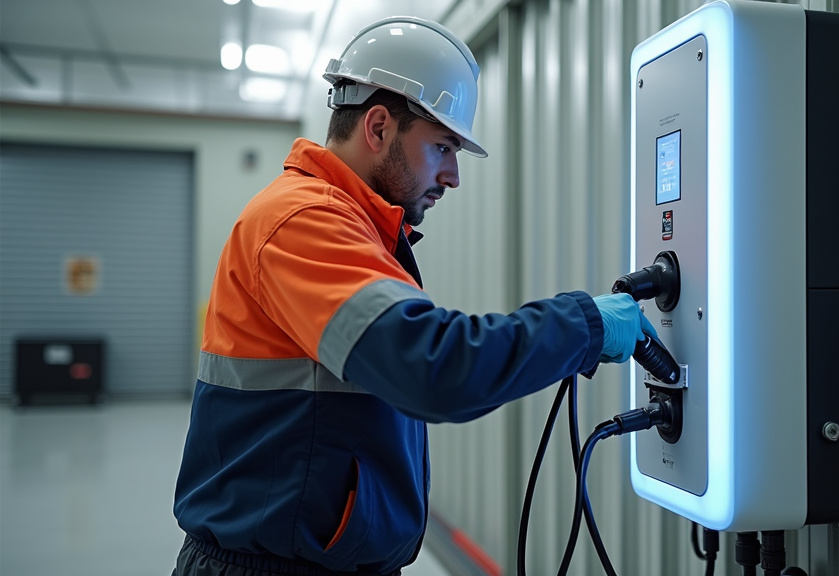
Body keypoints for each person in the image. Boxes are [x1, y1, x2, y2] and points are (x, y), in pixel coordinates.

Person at [171, 16, 655, 576]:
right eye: (443, 147)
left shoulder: (353, 225)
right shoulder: (301, 221)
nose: (452, 175)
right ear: (378, 127)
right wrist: (585, 324)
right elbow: (433, 367)